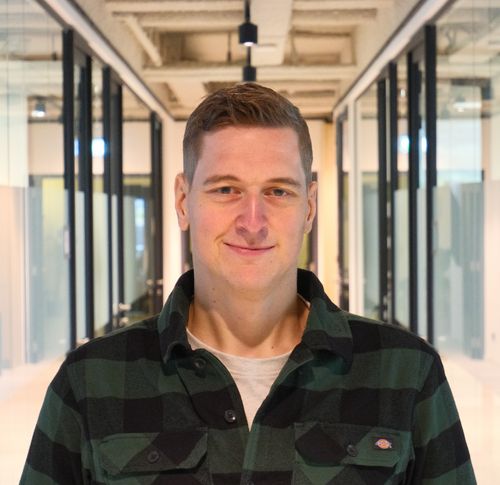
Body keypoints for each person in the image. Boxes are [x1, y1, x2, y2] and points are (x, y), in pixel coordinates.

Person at [22, 83, 476, 484]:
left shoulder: (405, 373)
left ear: (309, 207)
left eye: (278, 191)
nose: (252, 222)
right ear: (183, 201)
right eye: (226, 190)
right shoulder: (90, 382)